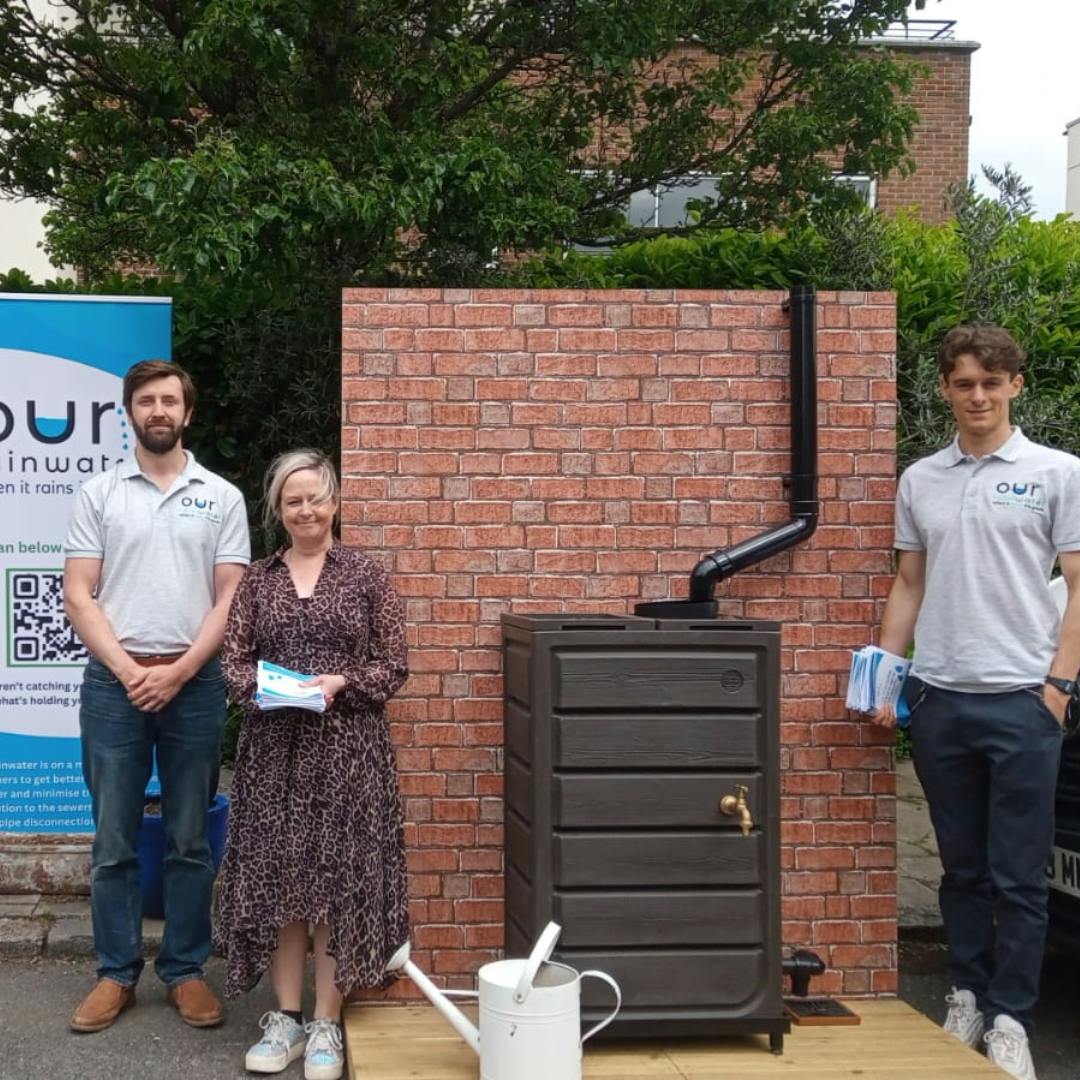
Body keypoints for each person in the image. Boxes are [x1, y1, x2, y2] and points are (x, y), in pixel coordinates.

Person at [868, 325, 1080, 1080]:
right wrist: (888, 678)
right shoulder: (921, 478)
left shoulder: (1059, 473)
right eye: (963, 383)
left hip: (1024, 700)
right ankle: (966, 991)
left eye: (992, 383)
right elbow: (910, 584)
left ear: (1016, 386)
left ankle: (1012, 1020)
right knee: (961, 870)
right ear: (946, 390)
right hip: (941, 699)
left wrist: (1057, 686)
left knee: (1020, 874)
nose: (978, 396)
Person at [63, 360, 250, 1032]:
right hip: (113, 686)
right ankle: (115, 974)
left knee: (189, 839)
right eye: (146, 401)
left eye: (170, 400)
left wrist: (176, 672)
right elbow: (79, 592)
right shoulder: (99, 493)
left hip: (194, 685)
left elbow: (231, 598)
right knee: (112, 840)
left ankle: (185, 970)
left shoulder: (222, 497)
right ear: (130, 413)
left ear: (188, 413)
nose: (159, 410)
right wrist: (127, 669)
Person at [214, 449, 409, 1080]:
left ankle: (328, 1023)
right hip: (275, 752)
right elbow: (234, 661)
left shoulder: (365, 576)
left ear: (335, 503)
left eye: (316, 498)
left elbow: (393, 664)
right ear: (278, 510)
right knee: (282, 884)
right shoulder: (258, 581)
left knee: (334, 887)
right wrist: (264, 689)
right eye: (293, 500)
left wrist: (340, 681)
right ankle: (286, 1020)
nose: (306, 509)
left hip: (348, 751)